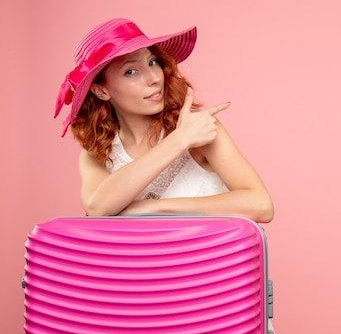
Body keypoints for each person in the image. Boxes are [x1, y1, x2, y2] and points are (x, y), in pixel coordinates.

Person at [54, 18, 274, 223]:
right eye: (131, 71)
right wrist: (178, 141)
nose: (154, 78)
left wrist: (156, 207)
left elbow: (261, 205)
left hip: (207, 263)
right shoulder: (97, 153)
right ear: (102, 91)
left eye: (152, 62)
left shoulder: (199, 129)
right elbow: (97, 207)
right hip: (137, 265)